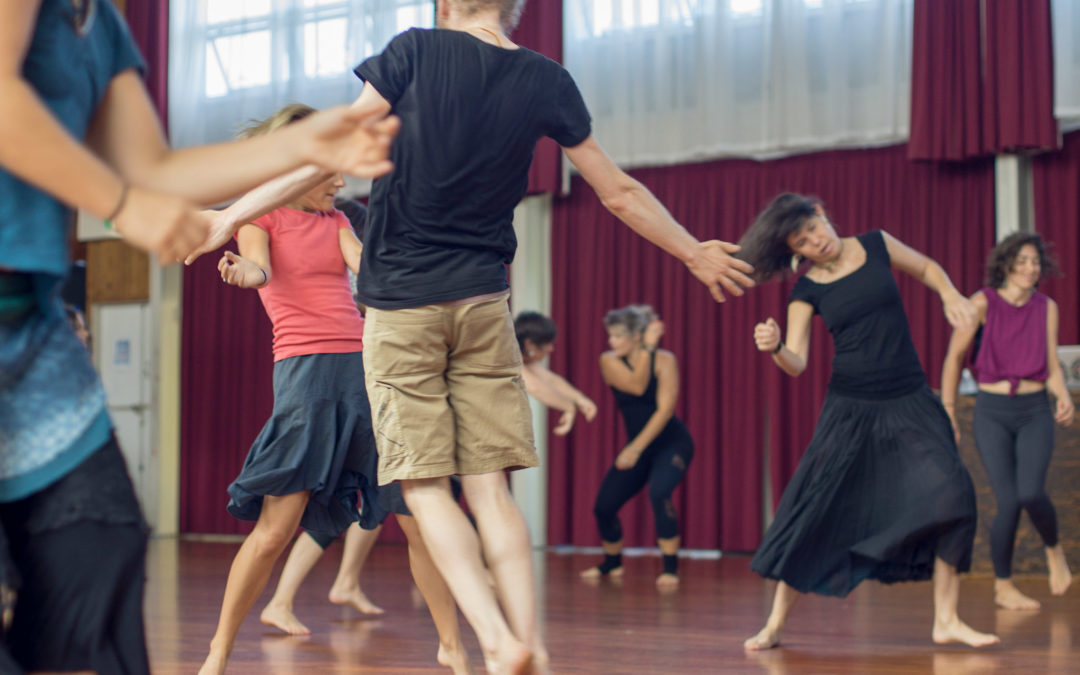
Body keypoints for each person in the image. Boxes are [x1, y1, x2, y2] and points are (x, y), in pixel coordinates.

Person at [185, 1, 755, 670]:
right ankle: (529, 641)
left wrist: (228, 215)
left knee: (426, 488)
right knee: (489, 486)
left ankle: (488, 635)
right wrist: (692, 251)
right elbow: (619, 192)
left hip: (402, 307)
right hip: (483, 297)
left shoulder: (414, 51)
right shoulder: (547, 78)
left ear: (447, 4)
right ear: (515, 9)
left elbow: (329, 147)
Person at [0, 2, 396, 672]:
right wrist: (124, 206)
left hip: (31, 323)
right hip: (294, 367)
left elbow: (151, 164)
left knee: (103, 544)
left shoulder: (101, 20)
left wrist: (310, 142)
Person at [206, 104, 467, 675]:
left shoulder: (338, 224)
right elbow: (258, 272)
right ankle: (219, 650)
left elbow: (367, 275)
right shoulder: (263, 220)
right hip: (306, 378)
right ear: (302, 167)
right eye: (333, 174)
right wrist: (239, 274)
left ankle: (451, 644)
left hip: (365, 375)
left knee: (415, 515)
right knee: (275, 531)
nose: (343, 184)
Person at [739, 193, 998, 650]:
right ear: (795, 252)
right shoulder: (807, 290)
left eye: (814, 228)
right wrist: (776, 346)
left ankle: (946, 619)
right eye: (803, 241)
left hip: (910, 398)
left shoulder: (876, 244)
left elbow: (926, 268)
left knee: (955, 495)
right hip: (851, 409)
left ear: (823, 214)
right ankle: (776, 622)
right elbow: (796, 362)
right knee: (819, 512)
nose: (817, 241)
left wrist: (951, 294)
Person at [941, 232, 1074, 610]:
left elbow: (1050, 364)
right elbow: (954, 358)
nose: (1031, 269)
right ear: (1006, 264)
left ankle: (1054, 551)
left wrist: (1062, 395)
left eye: (1036, 262)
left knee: (1031, 492)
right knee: (1009, 500)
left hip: (1034, 409)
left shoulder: (1046, 307)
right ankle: (1004, 586)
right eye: (1024, 261)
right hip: (992, 412)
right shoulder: (982, 303)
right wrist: (949, 410)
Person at [580, 306, 694, 589]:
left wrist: (634, 449)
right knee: (603, 506)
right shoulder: (608, 361)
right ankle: (612, 562)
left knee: (659, 492)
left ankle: (670, 568)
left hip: (672, 443)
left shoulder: (665, 360)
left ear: (636, 337)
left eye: (619, 336)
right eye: (611, 336)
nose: (612, 342)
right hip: (639, 447)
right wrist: (647, 348)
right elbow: (636, 385)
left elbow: (665, 411)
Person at [514, 310, 597, 435]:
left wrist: (580, 399)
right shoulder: (508, 357)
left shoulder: (522, 357)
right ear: (529, 343)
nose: (551, 348)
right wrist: (569, 407)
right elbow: (535, 388)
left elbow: (550, 379)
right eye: (548, 343)